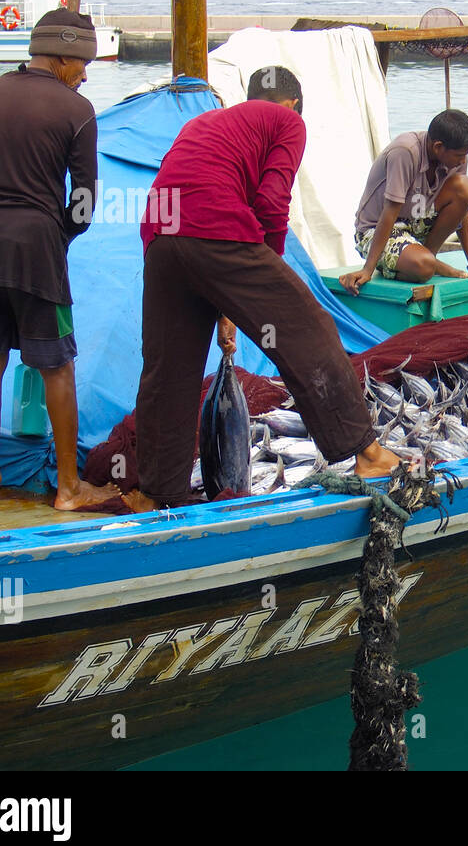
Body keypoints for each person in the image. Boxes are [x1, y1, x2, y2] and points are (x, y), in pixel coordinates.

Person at [123, 67, 399, 513]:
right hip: (213, 227)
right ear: (292, 104)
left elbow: (197, 227)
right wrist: (268, 265)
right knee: (308, 331)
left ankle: (157, 492)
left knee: (167, 372)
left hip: (161, 236)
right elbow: (271, 202)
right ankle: (368, 455)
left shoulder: (204, 124)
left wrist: (228, 307)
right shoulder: (288, 121)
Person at [0, 9, 117, 511]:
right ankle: (68, 488)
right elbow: (84, 202)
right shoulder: (78, 110)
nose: (86, 74)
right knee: (57, 367)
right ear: (64, 55)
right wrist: (57, 234)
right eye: (83, 63)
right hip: (37, 250)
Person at [340, 110, 468, 295]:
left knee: (466, 187)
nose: (463, 160)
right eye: (459, 155)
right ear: (438, 146)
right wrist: (368, 270)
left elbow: (463, 208)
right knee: (424, 267)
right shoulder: (405, 153)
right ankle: (429, 263)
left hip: (416, 221)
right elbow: (390, 212)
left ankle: (428, 258)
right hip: (377, 230)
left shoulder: (455, 158)